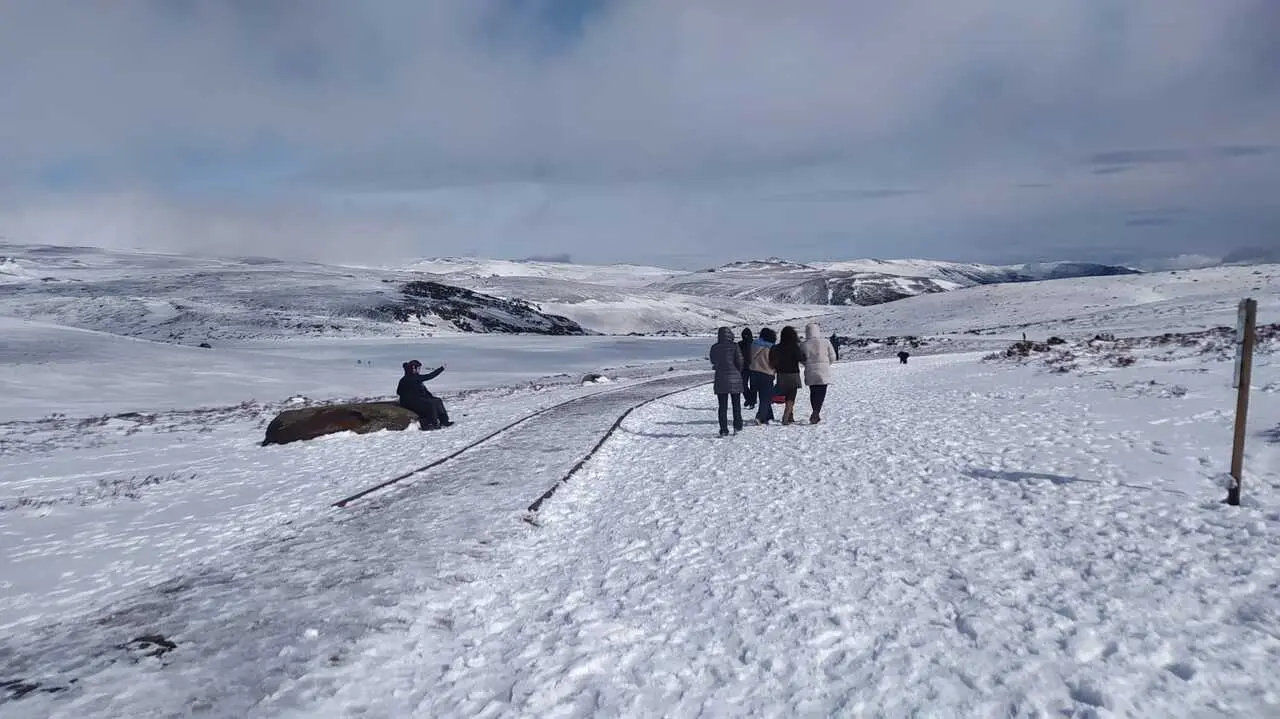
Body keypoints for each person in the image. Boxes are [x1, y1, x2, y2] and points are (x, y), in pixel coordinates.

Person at [709, 327, 745, 436]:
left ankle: (723, 429)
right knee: (736, 405)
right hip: (735, 379)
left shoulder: (714, 347)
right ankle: (737, 427)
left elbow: (713, 360)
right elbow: (740, 361)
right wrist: (738, 371)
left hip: (720, 378)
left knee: (722, 407)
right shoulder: (734, 346)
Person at [397, 360, 453, 430]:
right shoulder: (409, 378)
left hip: (417, 400)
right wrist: (441, 368)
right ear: (413, 368)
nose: (419, 370)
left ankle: (444, 421)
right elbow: (430, 376)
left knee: (438, 400)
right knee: (431, 404)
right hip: (410, 402)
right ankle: (432, 423)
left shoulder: (413, 377)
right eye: (418, 368)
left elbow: (398, 392)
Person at [802, 322, 838, 424]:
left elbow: (802, 359)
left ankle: (815, 411)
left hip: (810, 372)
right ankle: (816, 412)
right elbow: (833, 357)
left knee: (813, 392)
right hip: (823, 371)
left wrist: (808, 364)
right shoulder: (826, 342)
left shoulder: (804, 344)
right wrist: (826, 364)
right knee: (821, 392)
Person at [770, 326, 806, 425]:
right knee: (791, 397)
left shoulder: (776, 347)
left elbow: (772, 360)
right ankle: (786, 416)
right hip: (793, 374)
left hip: (781, 374)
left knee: (786, 396)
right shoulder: (794, 347)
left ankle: (790, 415)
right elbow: (801, 358)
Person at [748, 327, 777, 425]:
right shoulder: (772, 348)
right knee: (765, 397)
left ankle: (769, 416)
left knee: (763, 397)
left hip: (754, 372)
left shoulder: (754, 344)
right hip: (767, 373)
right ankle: (760, 417)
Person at [737, 328, 756, 409]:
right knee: (743, 385)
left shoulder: (755, 344)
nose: (745, 336)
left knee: (753, 386)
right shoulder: (739, 344)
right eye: (744, 335)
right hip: (744, 368)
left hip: (753, 367)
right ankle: (749, 399)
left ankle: (752, 402)